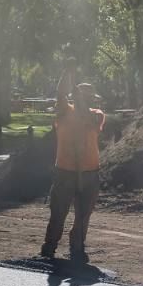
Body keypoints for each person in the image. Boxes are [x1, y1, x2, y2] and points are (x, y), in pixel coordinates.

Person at [40, 65, 105, 264]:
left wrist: (79, 99)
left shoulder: (97, 115)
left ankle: (77, 246)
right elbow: (61, 94)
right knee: (58, 213)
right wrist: (66, 73)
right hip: (65, 173)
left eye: (89, 97)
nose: (90, 99)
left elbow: (87, 118)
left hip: (90, 173)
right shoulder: (63, 112)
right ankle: (49, 246)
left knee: (83, 215)